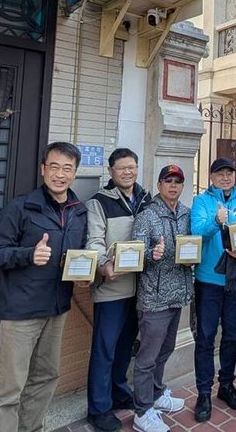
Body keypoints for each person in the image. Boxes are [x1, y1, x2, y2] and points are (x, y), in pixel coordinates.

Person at [0, 142, 87, 432]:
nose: (60, 174)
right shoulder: (21, 207)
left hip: (57, 308)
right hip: (20, 311)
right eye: (54, 167)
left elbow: (78, 256)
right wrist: (28, 254)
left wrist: (87, 273)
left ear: (75, 173)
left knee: (45, 377)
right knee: (9, 387)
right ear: (43, 169)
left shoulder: (79, 211)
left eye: (67, 169)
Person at [84, 148, 153, 431]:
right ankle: (98, 408)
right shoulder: (99, 202)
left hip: (141, 287)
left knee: (126, 346)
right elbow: (94, 241)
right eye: (122, 168)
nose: (128, 172)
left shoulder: (147, 199)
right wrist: (102, 265)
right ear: (111, 171)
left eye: (132, 167)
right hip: (112, 287)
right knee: (105, 349)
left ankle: (118, 391)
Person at [190, 157, 236, 422]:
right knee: (206, 337)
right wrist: (216, 222)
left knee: (232, 335)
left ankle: (226, 385)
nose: (225, 177)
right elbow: (197, 232)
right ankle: (203, 391)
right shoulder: (202, 201)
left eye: (229, 172)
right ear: (211, 176)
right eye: (220, 173)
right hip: (208, 281)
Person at [130, 164, 194, 432]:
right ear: (159, 185)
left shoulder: (186, 214)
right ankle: (142, 411)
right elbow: (134, 254)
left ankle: (156, 394)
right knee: (147, 357)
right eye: (168, 181)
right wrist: (150, 255)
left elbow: (193, 245)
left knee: (165, 350)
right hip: (154, 298)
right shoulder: (147, 216)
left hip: (177, 295)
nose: (173, 186)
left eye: (178, 182)